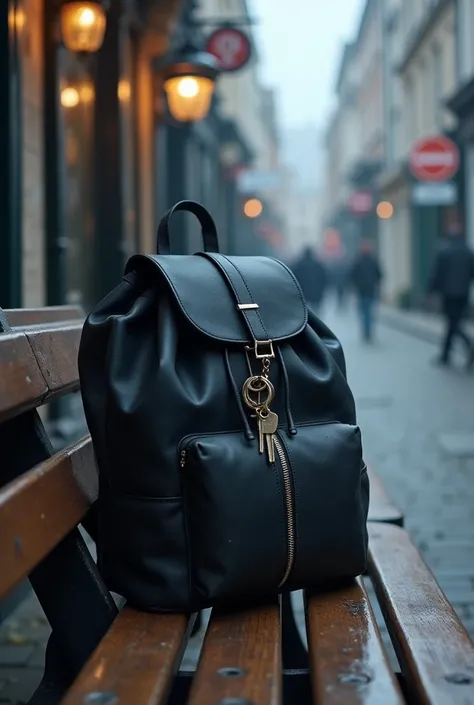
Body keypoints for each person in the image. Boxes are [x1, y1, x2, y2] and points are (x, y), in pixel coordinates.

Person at [427, 230, 474, 369]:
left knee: (453, 323)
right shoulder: (468, 253)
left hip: (448, 294)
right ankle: (445, 356)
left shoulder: (444, 253)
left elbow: (437, 273)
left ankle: (468, 344)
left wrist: (431, 291)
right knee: (453, 323)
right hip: (463, 293)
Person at [349, 239, 383, 342]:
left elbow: (352, 275)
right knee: (368, 311)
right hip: (370, 290)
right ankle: (367, 330)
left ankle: (366, 330)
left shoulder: (358, 261)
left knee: (364, 311)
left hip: (362, 290)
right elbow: (380, 275)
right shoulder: (373, 261)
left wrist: (355, 285)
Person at [291, 246, 327, 312]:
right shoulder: (317, 264)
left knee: (304, 309)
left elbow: (294, 277)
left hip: (303, 290)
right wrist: (322, 288)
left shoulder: (299, 264)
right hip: (316, 290)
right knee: (316, 309)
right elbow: (323, 277)